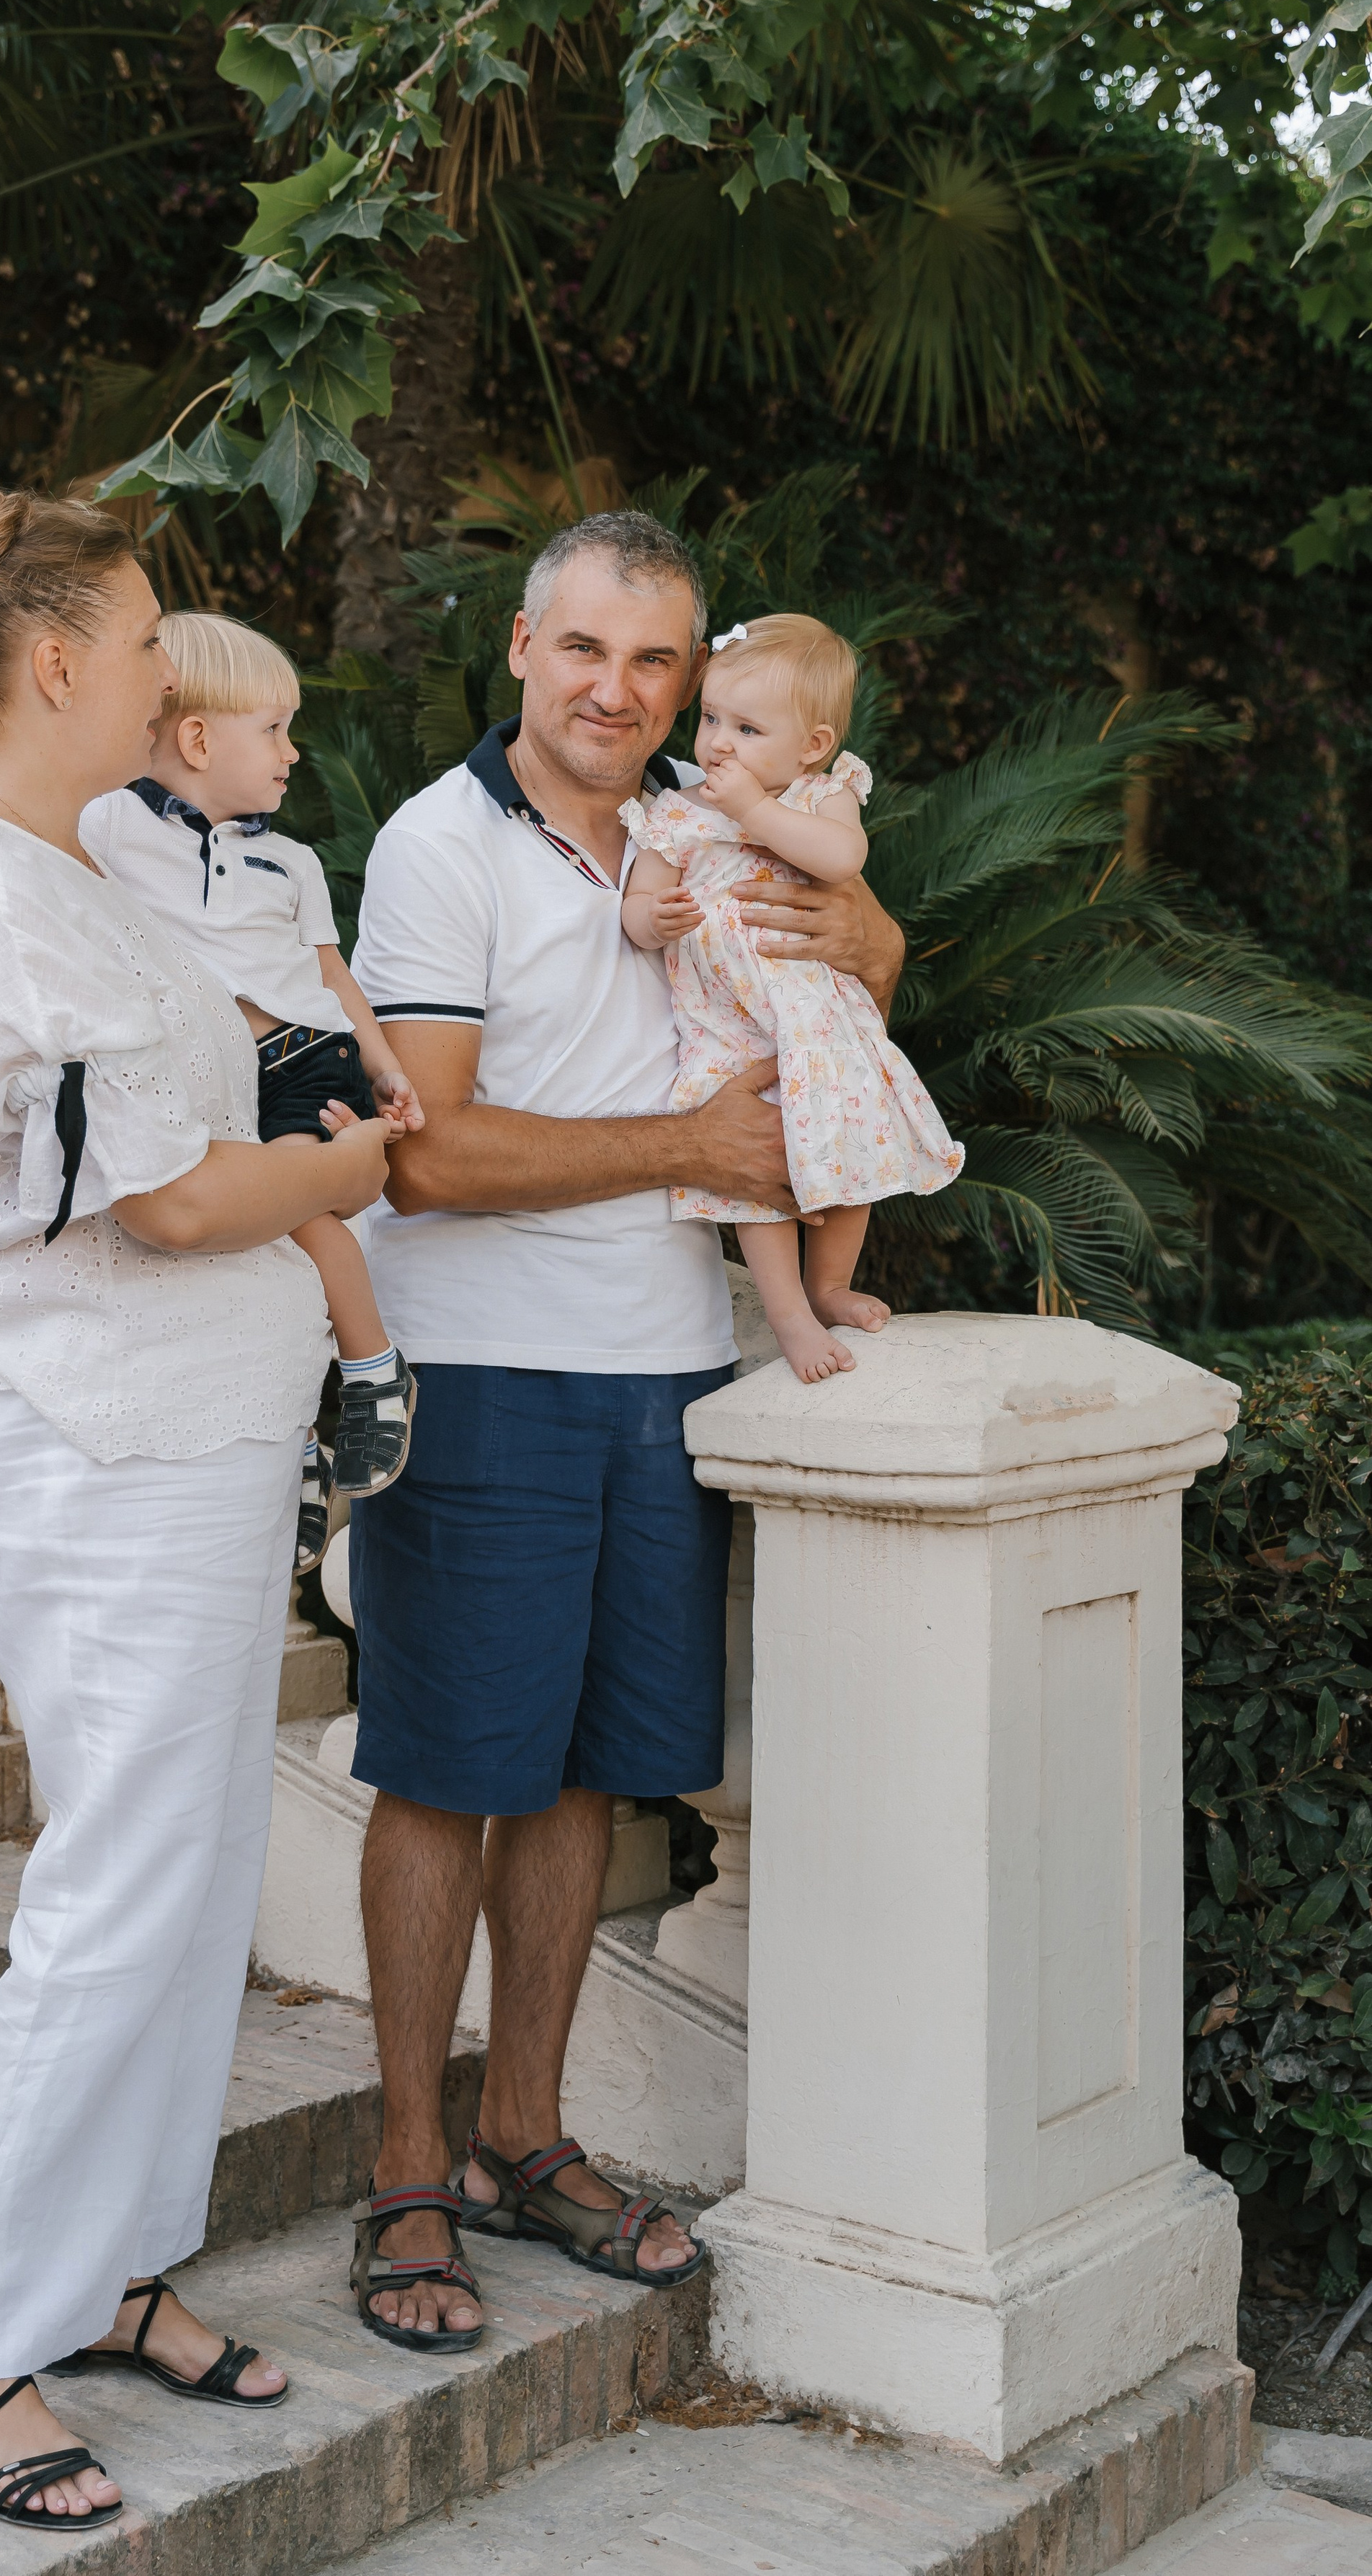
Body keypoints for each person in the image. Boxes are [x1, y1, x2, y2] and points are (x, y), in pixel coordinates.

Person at [0, 491, 392, 2526]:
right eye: (153, 632)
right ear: (61, 659)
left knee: (189, 1885)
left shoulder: (61, 858)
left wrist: (304, 1089)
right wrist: (344, 1183)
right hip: (114, 1447)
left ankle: (105, 2279)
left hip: (196, 1434)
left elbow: (194, 1093)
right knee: (114, 1895)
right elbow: (164, 1200)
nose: (176, 666)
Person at [342, 512, 906, 2346]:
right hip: (484, 1367)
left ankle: (526, 2133)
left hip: (665, 1365)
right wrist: (684, 1149)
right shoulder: (441, 848)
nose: (618, 690)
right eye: (585, 649)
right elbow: (420, 1154)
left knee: (584, 1766)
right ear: (520, 645)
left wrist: (874, 924)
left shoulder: (713, 812)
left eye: (652, 661)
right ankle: (409, 2168)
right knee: (447, 1765)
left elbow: (853, 971)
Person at [81, 610, 421, 1568]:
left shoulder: (292, 860)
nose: (293, 750)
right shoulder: (110, 825)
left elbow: (334, 977)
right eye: (272, 729)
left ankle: (374, 1372)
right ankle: (300, 1453)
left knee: (304, 1221)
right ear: (194, 738)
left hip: (307, 1059)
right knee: (250, 1261)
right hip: (209, 1075)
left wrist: (388, 1069)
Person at [621, 610, 963, 1384]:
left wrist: (753, 811)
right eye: (710, 718)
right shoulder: (676, 815)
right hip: (730, 1030)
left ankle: (830, 1284)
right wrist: (652, 917)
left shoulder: (819, 797)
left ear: (810, 746)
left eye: (746, 729)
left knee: (854, 1138)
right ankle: (788, 1314)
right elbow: (639, 908)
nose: (717, 744)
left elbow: (843, 859)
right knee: (754, 1179)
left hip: (817, 1023)